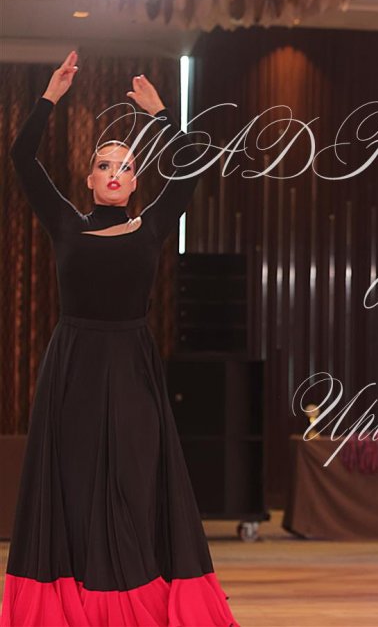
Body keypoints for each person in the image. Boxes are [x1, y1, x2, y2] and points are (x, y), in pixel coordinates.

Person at [0, 51, 239, 626]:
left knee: (136, 480)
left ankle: (138, 603)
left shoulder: (151, 226)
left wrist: (161, 116)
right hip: (74, 369)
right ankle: (76, 606)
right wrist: (49, 98)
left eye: (125, 165)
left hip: (132, 368)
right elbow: (21, 157)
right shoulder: (65, 224)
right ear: (89, 179)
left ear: (135, 180)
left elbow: (191, 166)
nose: (114, 172)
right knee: (76, 485)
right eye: (104, 164)